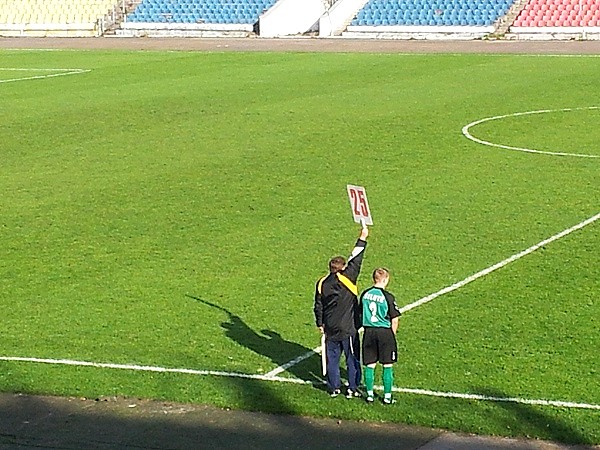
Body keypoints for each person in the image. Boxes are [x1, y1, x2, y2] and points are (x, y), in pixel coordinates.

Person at [314, 224, 368, 398]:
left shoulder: (322, 282)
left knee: (332, 358)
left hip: (330, 326)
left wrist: (320, 323)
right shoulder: (347, 278)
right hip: (348, 327)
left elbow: (318, 305)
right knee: (352, 358)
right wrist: (363, 236)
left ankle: (333, 387)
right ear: (342, 268)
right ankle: (352, 387)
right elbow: (357, 258)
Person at [359, 267, 401, 404]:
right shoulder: (388, 297)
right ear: (386, 279)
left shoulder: (365, 294)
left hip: (369, 332)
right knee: (387, 365)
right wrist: (391, 336)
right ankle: (387, 397)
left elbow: (360, 313)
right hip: (384, 333)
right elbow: (394, 318)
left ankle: (370, 394)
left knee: (369, 365)